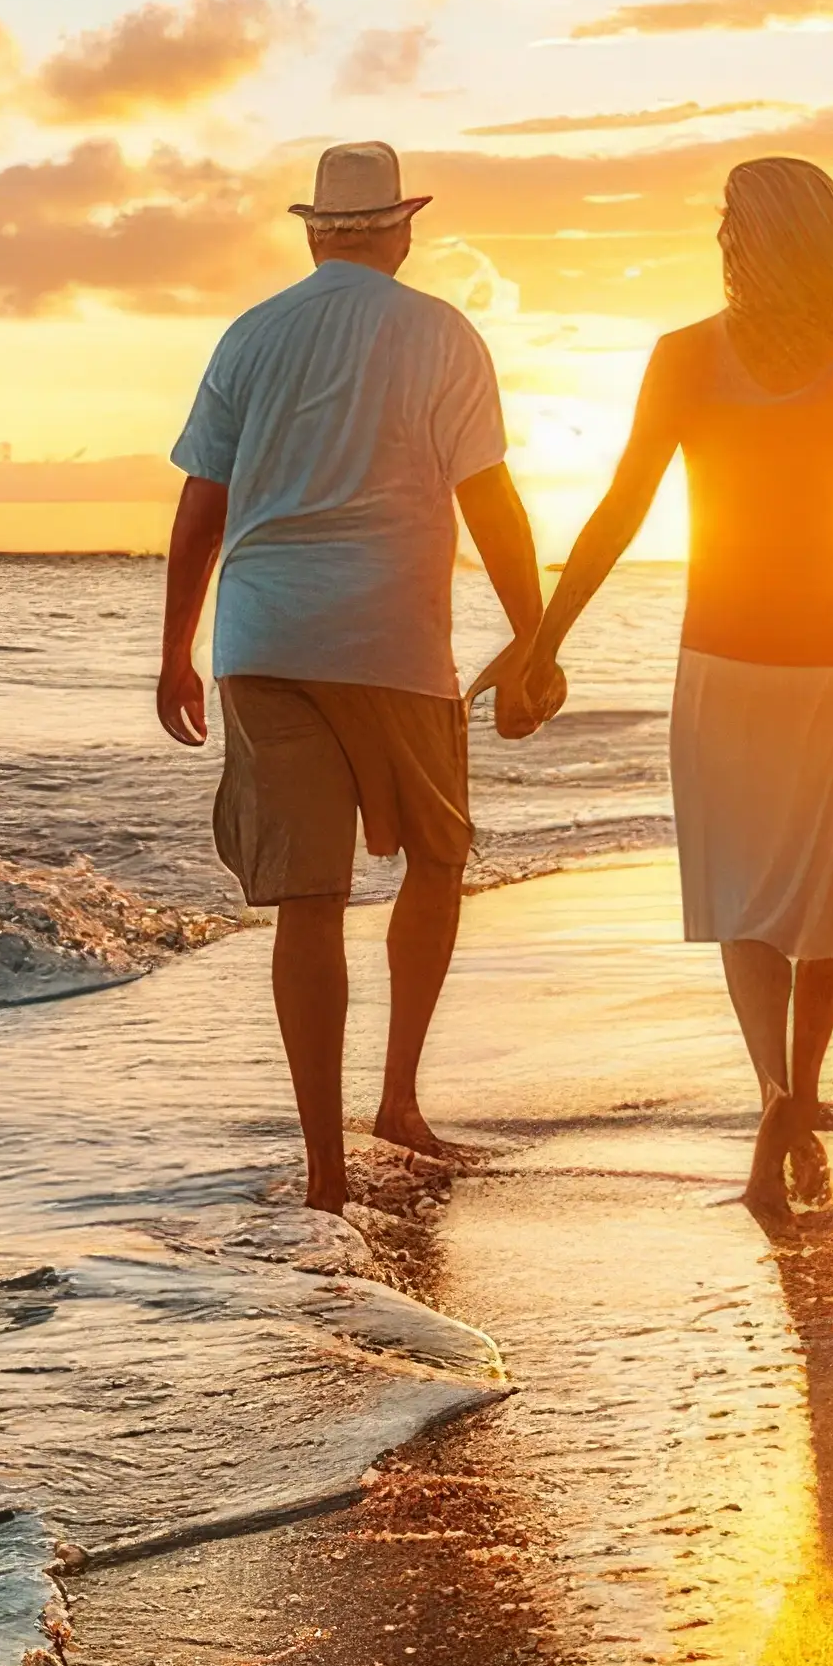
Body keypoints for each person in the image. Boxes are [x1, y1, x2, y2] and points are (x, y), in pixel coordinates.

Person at [483, 156, 833, 1219]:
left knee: (746, 895)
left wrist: (543, 642)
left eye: (727, 222)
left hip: (725, 665)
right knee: (831, 893)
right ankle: (805, 1089)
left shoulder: (683, 357)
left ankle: (774, 1092)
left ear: (750, 237)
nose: (718, 237)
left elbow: (619, 510)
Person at [156, 139, 552, 1211]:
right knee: (435, 856)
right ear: (401, 229)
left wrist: (175, 651)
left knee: (309, 900)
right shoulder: (440, 333)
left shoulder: (252, 333)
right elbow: (490, 500)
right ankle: (400, 1103)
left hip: (263, 639)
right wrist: (537, 634)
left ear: (314, 231)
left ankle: (326, 1167)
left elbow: (204, 501)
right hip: (390, 641)